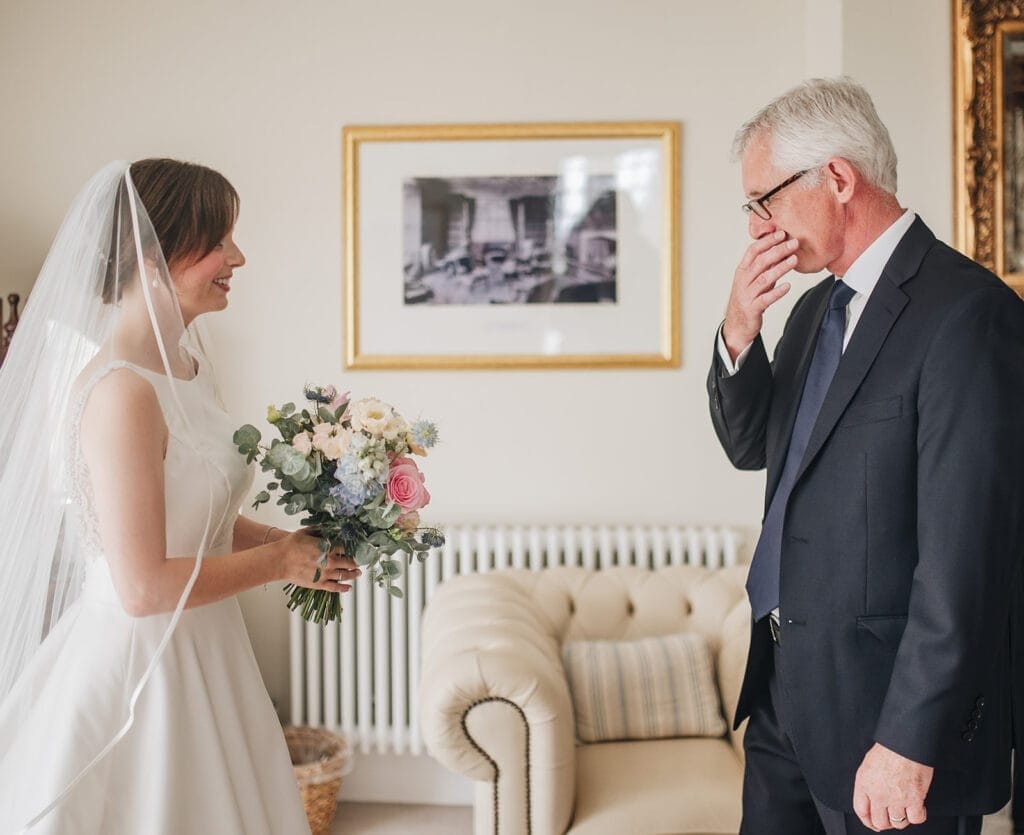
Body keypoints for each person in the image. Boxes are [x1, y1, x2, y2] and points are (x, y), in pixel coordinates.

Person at [0, 159, 360, 833]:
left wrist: (288, 542)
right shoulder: (121, 392)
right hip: (143, 673)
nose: (238, 256)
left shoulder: (189, 364)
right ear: (152, 255)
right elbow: (142, 587)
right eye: (219, 237)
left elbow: (204, 516)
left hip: (211, 648)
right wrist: (281, 565)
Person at [707, 78, 1024, 834]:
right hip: (785, 698)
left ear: (839, 179)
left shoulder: (969, 315)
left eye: (765, 200)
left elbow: (966, 559)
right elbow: (751, 447)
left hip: (889, 725)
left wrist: (909, 739)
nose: (758, 227)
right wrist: (739, 329)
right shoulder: (815, 307)